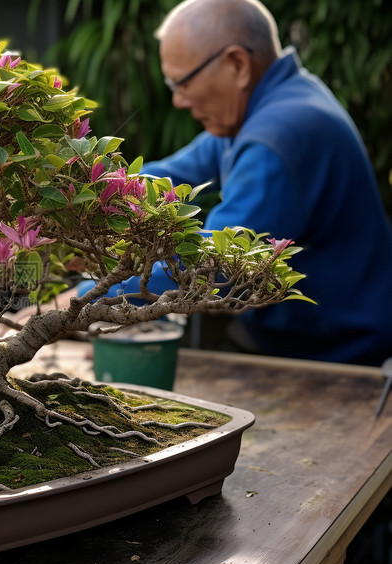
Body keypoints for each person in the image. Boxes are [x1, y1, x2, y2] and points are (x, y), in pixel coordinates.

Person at [111, 0, 392, 366]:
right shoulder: (261, 108)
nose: (178, 100)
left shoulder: (280, 135)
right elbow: (169, 175)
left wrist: (82, 302)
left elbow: (212, 268)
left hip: (337, 356)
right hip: (290, 337)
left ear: (237, 65)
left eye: (181, 82)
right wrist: (91, 199)